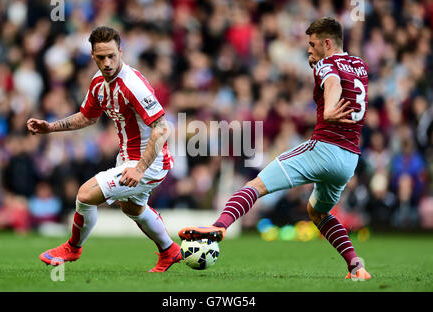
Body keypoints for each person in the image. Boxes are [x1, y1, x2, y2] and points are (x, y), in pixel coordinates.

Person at [179, 17, 371, 280]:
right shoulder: (360, 65)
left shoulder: (327, 64)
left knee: (256, 185)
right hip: (349, 159)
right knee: (318, 212)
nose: (309, 50)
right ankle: (356, 266)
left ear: (328, 43)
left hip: (324, 148)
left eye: (313, 44)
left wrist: (329, 106)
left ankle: (218, 227)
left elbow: (333, 83)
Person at [27, 26, 181, 272]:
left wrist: (140, 168)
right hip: (127, 159)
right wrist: (51, 127)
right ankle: (169, 251)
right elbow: (88, 117)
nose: (107, 62)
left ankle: (72, 248)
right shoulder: (99, 82)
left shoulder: (133, 85)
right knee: (132, 207)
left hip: (148, 162)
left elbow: (163, 129)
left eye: (112, 56)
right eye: (101, 57)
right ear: (92, 56)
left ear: (121, 51)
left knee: (85, 195)